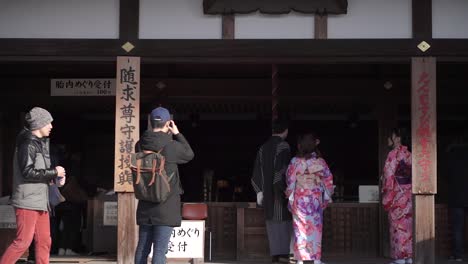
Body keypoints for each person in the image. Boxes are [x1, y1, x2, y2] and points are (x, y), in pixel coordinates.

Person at [0, 107, 66, 264]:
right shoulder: (28, 143)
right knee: (23, 242)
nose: (51, 126)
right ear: (39, 124)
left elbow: (39, 172)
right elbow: (28, 172)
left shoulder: (38, 143)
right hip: (27, 200)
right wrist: (54, 172)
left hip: (39, 200)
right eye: (48, 123)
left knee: (44, 241)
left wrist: (55, 179)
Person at [134, 107, 194, 264]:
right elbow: (189, 154)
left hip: (145, 204)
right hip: (166, 206)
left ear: (150, 122)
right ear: (169, 123)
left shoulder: (139, 145)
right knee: (160, 251)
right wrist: (177, 133)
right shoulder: (172, 146)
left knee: (142, 248)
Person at [285, 133, 333, 264]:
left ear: (300, 146)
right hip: (315, 200)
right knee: (315, 229)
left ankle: (300, 260)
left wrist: (290, 195)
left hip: (300, 200)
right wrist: (327, 196)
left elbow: (290, 181)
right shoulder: (320, 161)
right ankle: (316, 259)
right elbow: (328, 180)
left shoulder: (295, 162)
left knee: (299, 230)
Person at [251, 120, 292, 264]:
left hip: (267, 194)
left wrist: (260, 192)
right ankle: (284, 255)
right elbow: (282, 170)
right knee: (284, 223)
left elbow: (256, 173)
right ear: (285, 130)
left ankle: (275, 256)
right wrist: (286, 190)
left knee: (272, 224)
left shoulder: (263, 148)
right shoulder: (283, 146)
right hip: (280, 193)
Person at [381, 128, 412, 264]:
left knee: (397, 226)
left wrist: (387, 193)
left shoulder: (393, 154)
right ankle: (409, 257)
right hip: (408, 195)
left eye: (390, 136)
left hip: (396, 195)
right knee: (408, 227)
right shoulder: (409, 154)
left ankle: (399, 258)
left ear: (397, 138)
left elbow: (388, 177)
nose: (388, 139)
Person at [446, 129, 468, 262]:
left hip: (456, 196)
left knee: (457, 228)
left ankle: (458, 255)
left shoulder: (451, 154)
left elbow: (446, 175)